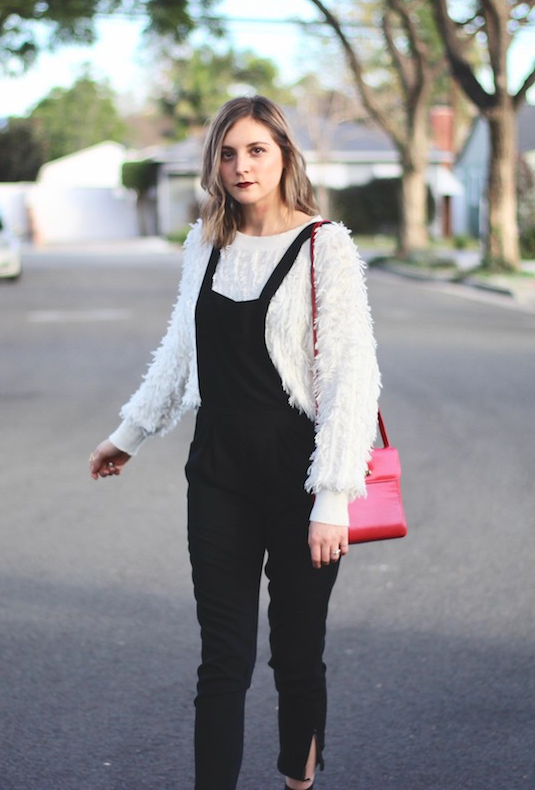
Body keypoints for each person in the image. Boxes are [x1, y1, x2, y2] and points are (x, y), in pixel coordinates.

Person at [88, 96, 381, 790]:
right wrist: (130, 433)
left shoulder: (325, 246)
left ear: (284, 156)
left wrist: (333, 496)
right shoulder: (205, 242)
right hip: (218, 472)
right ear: (213, 164)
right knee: (223, 660)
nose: (241, 166)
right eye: (228, 153)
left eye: (256, 150)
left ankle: (298, 779)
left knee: (296, 657)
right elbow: (179, 350)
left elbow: (351, 375)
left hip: (299, 476)